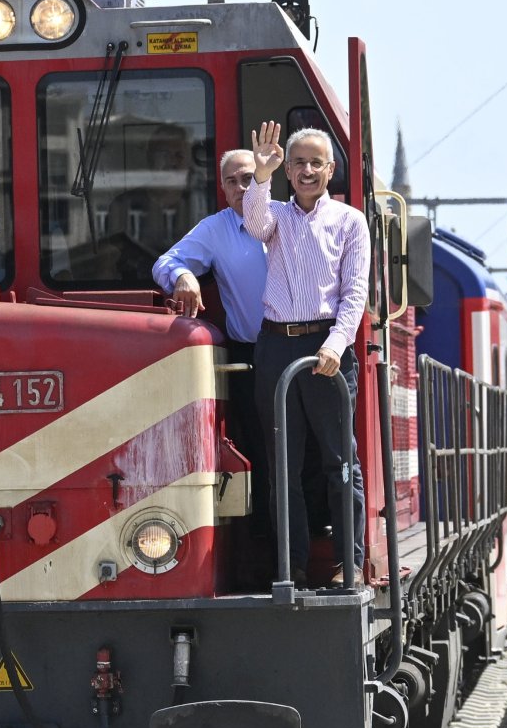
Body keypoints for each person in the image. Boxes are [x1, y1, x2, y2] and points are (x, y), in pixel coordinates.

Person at [242, 120, 370, 587]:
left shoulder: (350, 221)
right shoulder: (275, 214)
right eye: (299, 163)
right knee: (283, 464)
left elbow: (355, 293)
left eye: (316, 162)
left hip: (326, 346)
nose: (308, 170)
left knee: (340, 462)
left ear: (331, 169)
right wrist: (261, 173)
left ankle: (348, 565)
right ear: (289, 171)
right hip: (277, 345)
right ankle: (290, 566)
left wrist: (336, 345)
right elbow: (254, 223)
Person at [151, 148, 270, 473]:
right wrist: (184, 276)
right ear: (222, 188)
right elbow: (164, 263)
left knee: (306, 449)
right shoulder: (215, 229)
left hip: (296, 348)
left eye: (248, 178)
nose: (241, 188)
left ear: (265, 177)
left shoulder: (288, 218)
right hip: (250, 358)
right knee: (260, 451)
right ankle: (267, 526)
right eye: (231, 182)